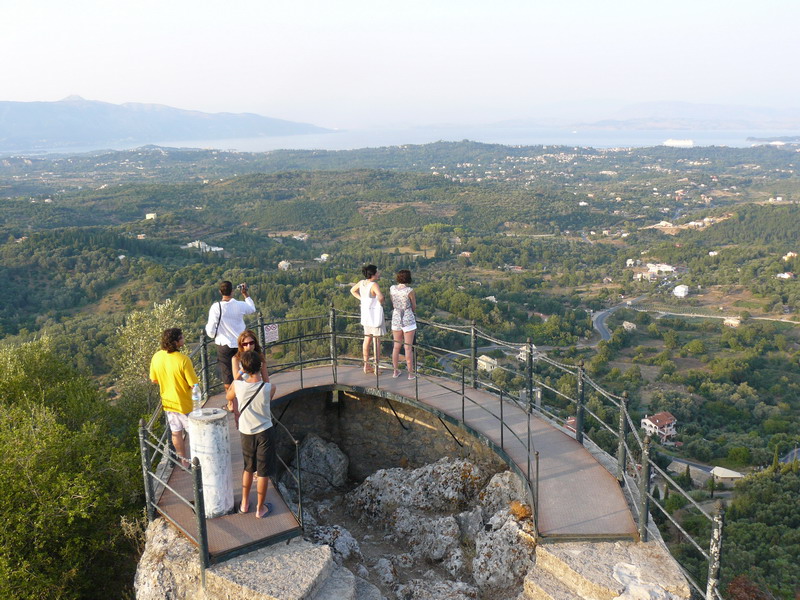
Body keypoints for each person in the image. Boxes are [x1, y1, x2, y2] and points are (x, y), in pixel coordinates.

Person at [226, 350, 277, 518]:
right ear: (260, 366)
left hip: (246, 432)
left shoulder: (239, 386)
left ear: (244, 368)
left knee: (248, 468)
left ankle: (244, 503)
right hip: (265, 432)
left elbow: (229, 395)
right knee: (263, 471)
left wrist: (239, 375)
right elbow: (268, 400)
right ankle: (260, 509)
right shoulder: (269, 388)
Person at [149, 328, 199, 469]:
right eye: (181, 337)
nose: (184, 339)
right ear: (176, 342)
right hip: (184, 403)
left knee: (176, 432)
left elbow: (154, 379)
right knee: (195, 432)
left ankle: (183, 460)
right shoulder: (183, 360)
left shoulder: (157, 357)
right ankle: (198, 460)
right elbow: (193, 384)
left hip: (168, 402)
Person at [205, 280, 256, 391]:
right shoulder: (239, 305)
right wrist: (245, 294)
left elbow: (210, 329)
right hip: (240, 343)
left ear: (220, 292)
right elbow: (252, 309)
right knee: (244, 369)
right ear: (232, 291)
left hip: (224, 344)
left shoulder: (215, 307)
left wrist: (213, 335)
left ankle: (231, 401)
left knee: (227, 374)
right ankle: (245, 394)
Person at [350, 264, 386, 373]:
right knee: (376, 342)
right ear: (373, 274)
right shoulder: (374, 285)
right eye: (377, 272)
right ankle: (376, 367)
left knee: (366, 340)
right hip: (374, 315)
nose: (378, 273)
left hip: (365, 314)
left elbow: (352, 290)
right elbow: (380, 297)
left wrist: (362, 299)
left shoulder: (361, 283)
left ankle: (366, 366)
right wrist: (381, 302)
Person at [390, 269, 417, 379]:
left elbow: (393, 303)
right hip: (408, 319)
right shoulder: (409, 290)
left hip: (396, 317)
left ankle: (395, 372)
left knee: (396, 347)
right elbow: (414, 306)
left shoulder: (392, 289)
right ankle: (410, 374)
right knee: (408, 348)